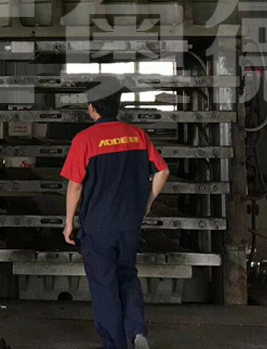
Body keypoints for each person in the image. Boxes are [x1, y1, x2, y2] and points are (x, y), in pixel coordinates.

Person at [61, 81, 170, 349]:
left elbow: (75, 186)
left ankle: (115, 345)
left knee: (104, 286)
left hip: (99, 226)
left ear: (92, 107)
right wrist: (147, 203)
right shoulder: (138, 136)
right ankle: (136, 332)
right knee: (127, 276)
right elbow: (163, 171)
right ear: (117, 106)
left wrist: (68, 223)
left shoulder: (85, 139)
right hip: (130, 224)